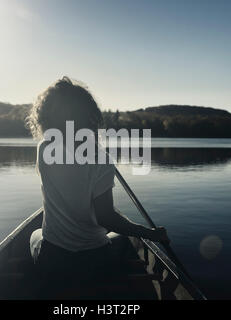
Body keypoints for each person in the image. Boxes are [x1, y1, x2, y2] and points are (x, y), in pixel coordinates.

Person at [27, 77, 169, 298]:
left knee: (35, 235)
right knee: (124, 239)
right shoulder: (100, 158)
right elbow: (106, 219)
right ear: (88, 116)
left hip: (54, 257)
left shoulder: (44, 148)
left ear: (47, 117)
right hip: (93, 260)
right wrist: (149, 233)